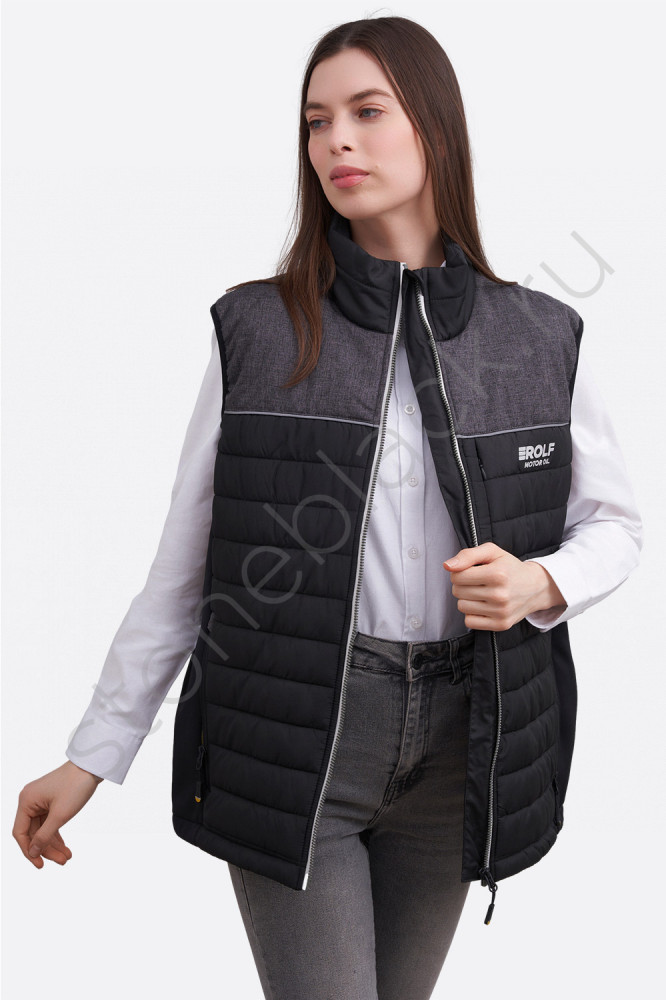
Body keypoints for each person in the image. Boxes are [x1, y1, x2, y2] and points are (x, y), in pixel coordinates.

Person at [14, 15, 642, 1000]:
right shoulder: (260, 329)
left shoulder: (543, 333)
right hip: (298, 737)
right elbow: (188, 569)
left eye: (366, 112)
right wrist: (93, 754)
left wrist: (541, 581)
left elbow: (617, 525)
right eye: (316, 121)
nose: (336, 141)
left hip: (462, 749)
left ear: (434, 127)